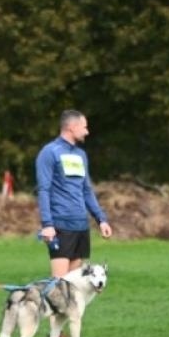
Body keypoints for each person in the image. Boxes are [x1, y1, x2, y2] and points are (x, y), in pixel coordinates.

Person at [36, 109, 113, 279]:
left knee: (73, 287)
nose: (87, 131)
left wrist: (101, 219)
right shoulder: (49, 152)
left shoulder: (81, 155)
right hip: (61, 226)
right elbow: (43, 190)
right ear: (72, 127)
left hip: (81, 226)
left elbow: (86, 190)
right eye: (84, 127)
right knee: (58, 287)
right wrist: (47, 224)